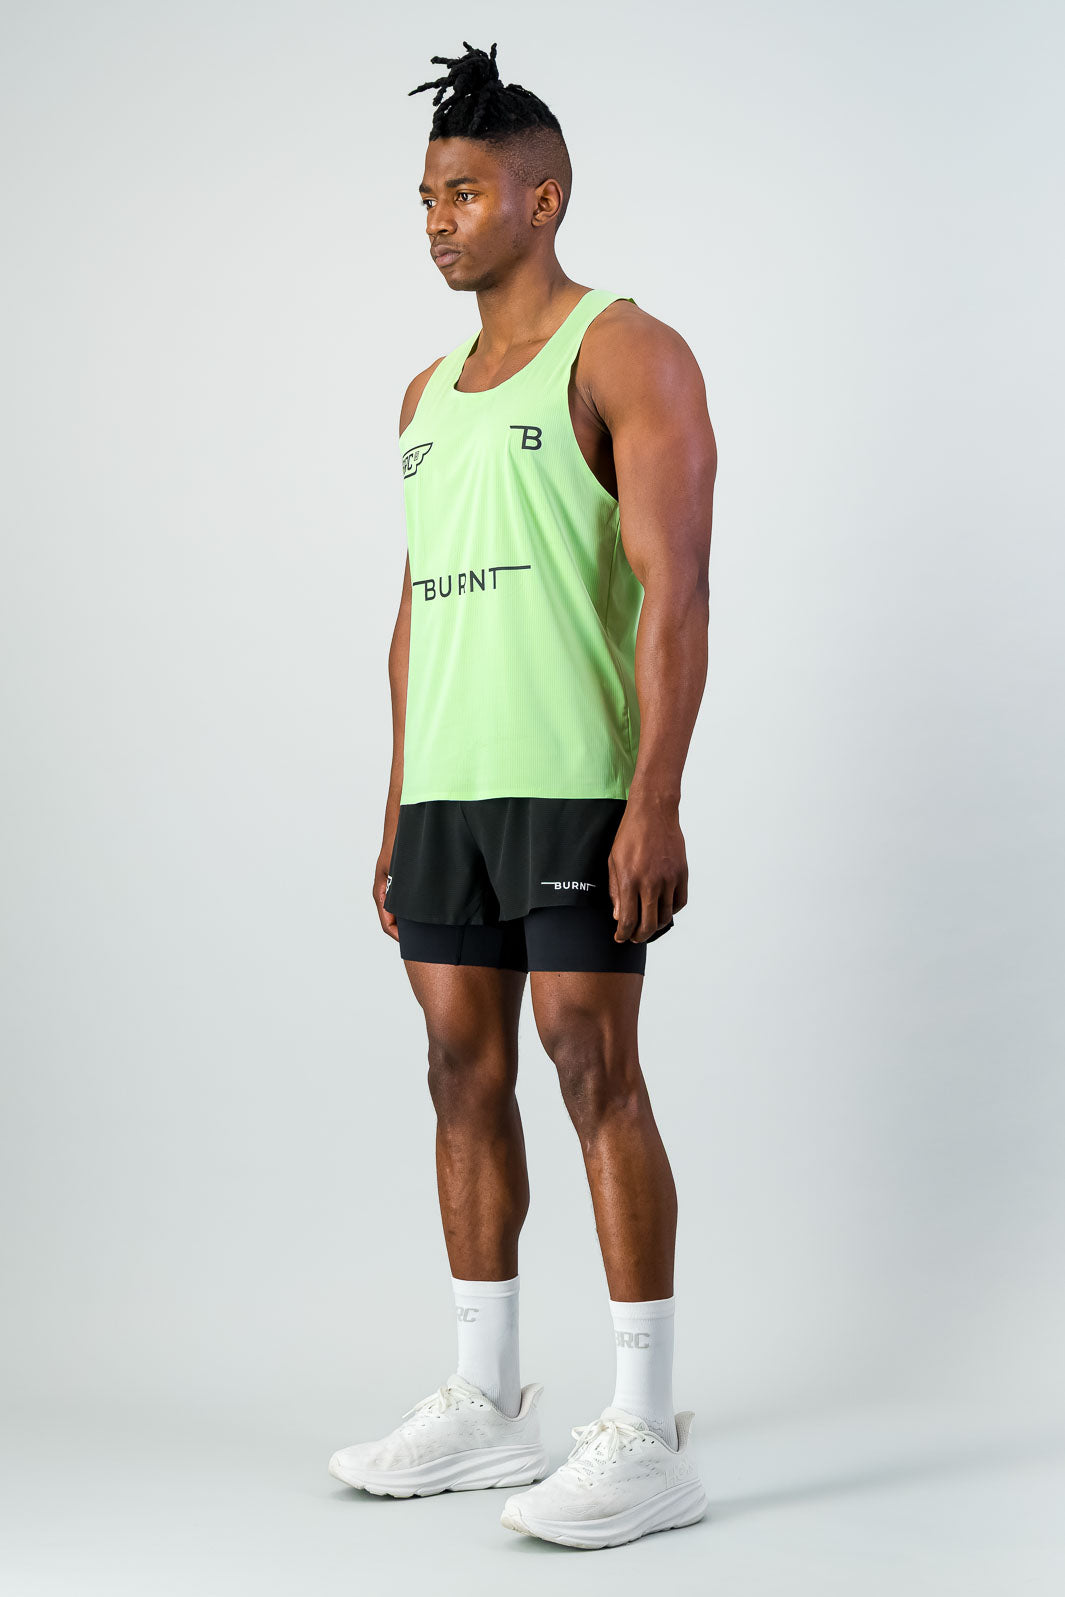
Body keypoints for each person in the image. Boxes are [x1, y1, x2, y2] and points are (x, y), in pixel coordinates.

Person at [328, 40, 717, 1551]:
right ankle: (488, 1401)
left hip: (572, 782)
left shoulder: (628, 351)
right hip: (448, 789)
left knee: (589, 1063)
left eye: (467, 194)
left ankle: (646, 1428)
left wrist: (654, 798)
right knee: (455, 1067)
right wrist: (394, 798)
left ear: (542, 200)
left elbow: (674, 592)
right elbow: (414, 609)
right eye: (427, 197)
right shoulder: (424, 394)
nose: (438, 221)